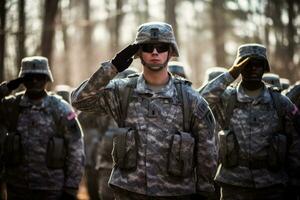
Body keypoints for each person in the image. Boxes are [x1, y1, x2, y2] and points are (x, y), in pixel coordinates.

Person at [71, 22, 217, 199]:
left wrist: (204, 193)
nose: (155, 52)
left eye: (161, 47)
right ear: (138, 52)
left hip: (176, 193)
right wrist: (112, 67)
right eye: (148, 47)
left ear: (170, 52)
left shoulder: (191, 100)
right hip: (129, 193)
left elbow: (207, 152)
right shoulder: (121, 92)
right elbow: (80, 100)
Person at [200, 43, 300, 200]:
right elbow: (199, 101)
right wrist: (230, 74)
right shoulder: (227, 99)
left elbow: (295, 145)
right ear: (239, 67)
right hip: (233, 185)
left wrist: (294, 184)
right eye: (247, 64)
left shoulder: (280, 102)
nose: (253, 68)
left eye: (258, 64)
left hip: (272, 185)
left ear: (264, 68)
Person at [0, 56, 84, 200]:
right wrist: (8, 87)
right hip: (17, 187)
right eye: (30, 77)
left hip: (52, 189)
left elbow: (76, 149)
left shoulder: (61, 109)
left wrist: (71, 188)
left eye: (39, 77)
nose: (34, 81)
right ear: (22, 80)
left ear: (46, 78)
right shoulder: (11, 106)